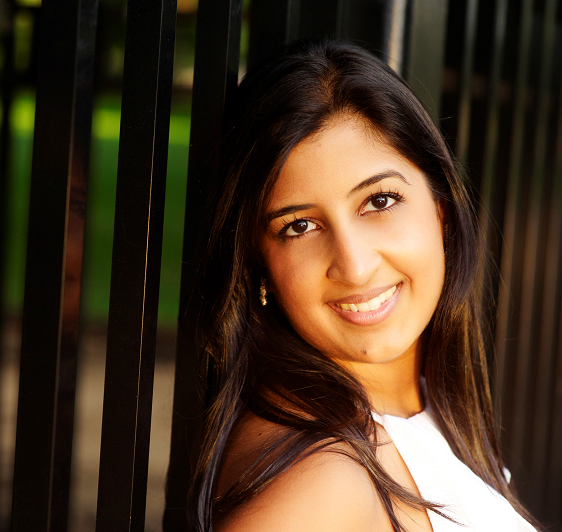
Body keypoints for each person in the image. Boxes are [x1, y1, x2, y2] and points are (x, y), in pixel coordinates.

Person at [187, 40, 539, 532]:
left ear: (439, 208)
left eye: (379, 201)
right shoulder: (326, 480)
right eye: (299, 226)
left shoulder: (420, 411)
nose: (353, 267)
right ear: (260, 265)